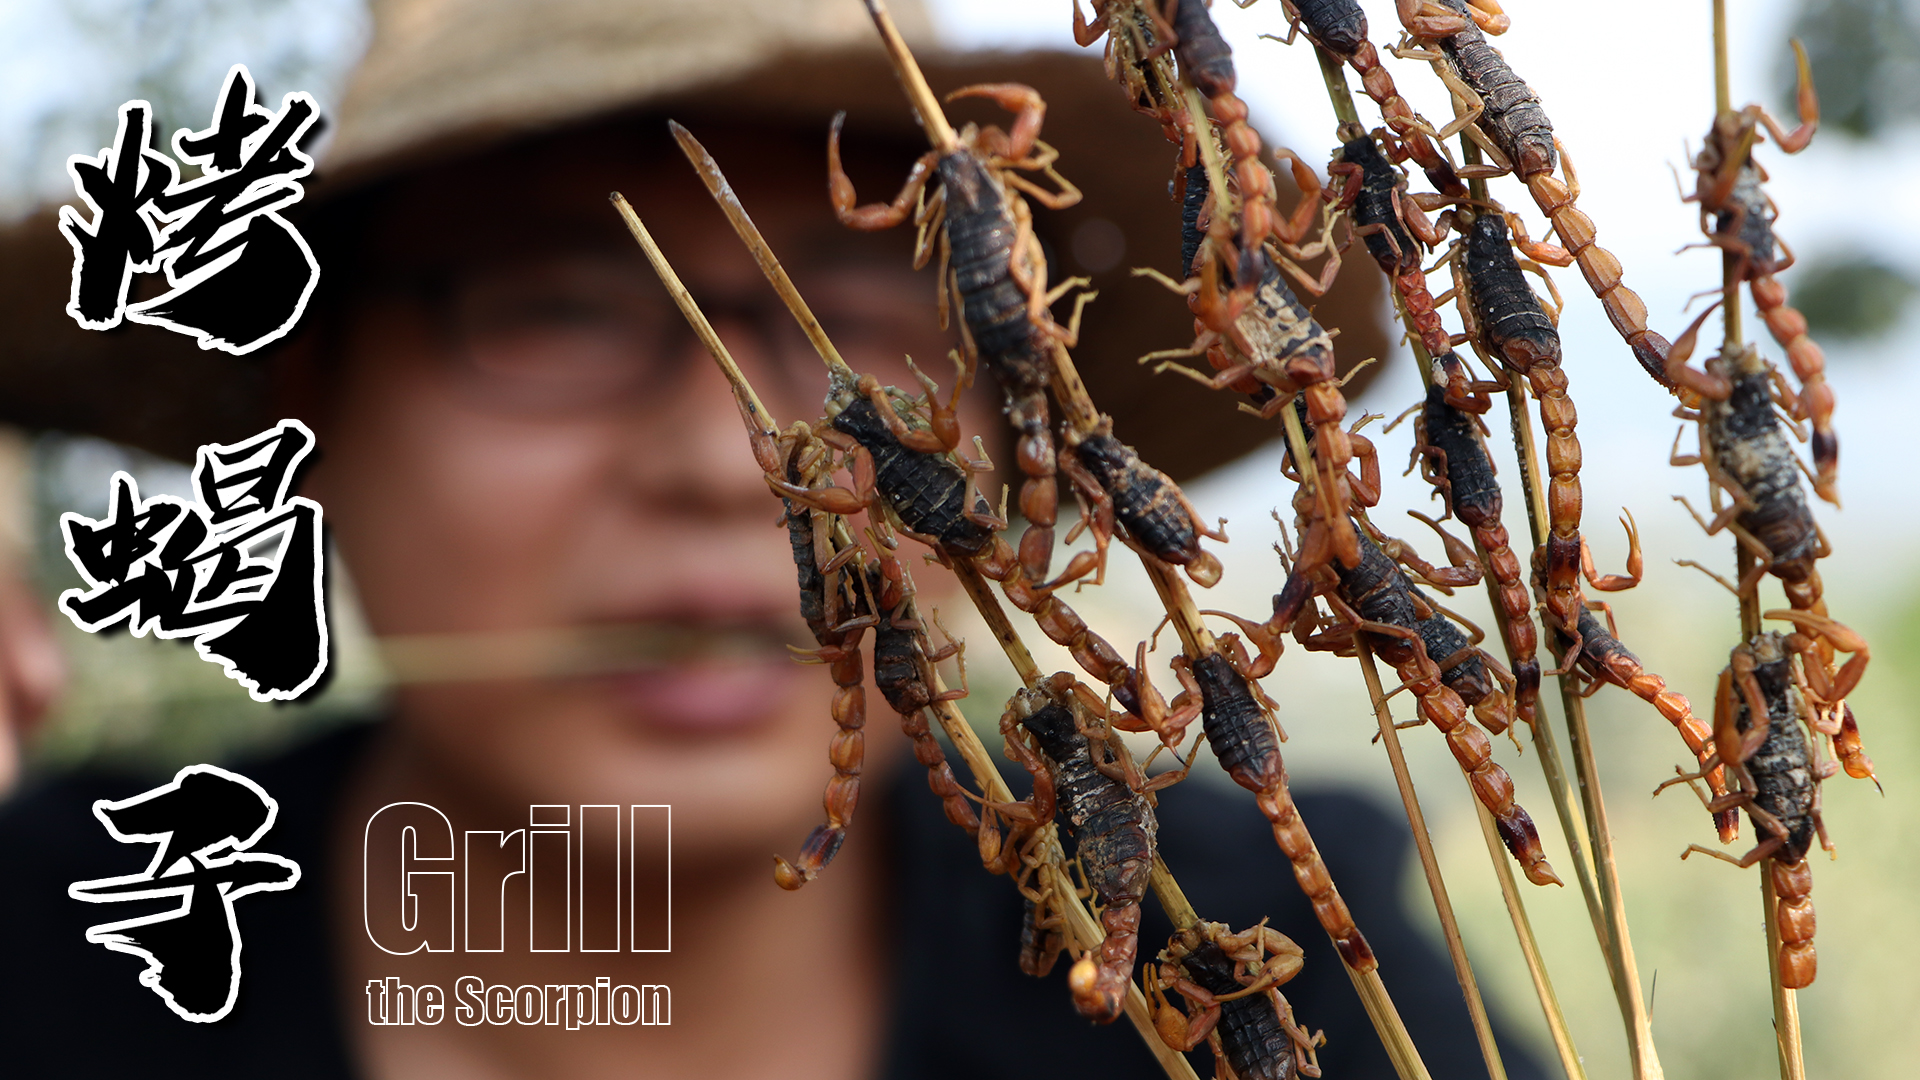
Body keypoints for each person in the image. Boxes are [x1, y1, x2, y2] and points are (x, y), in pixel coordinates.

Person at [0, 0, 1544, 1077]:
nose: (727, 459)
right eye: (552, 305)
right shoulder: (73, 935)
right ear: (309, 403)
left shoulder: (1249, 958)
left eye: (864, 313)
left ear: (1023, 424)